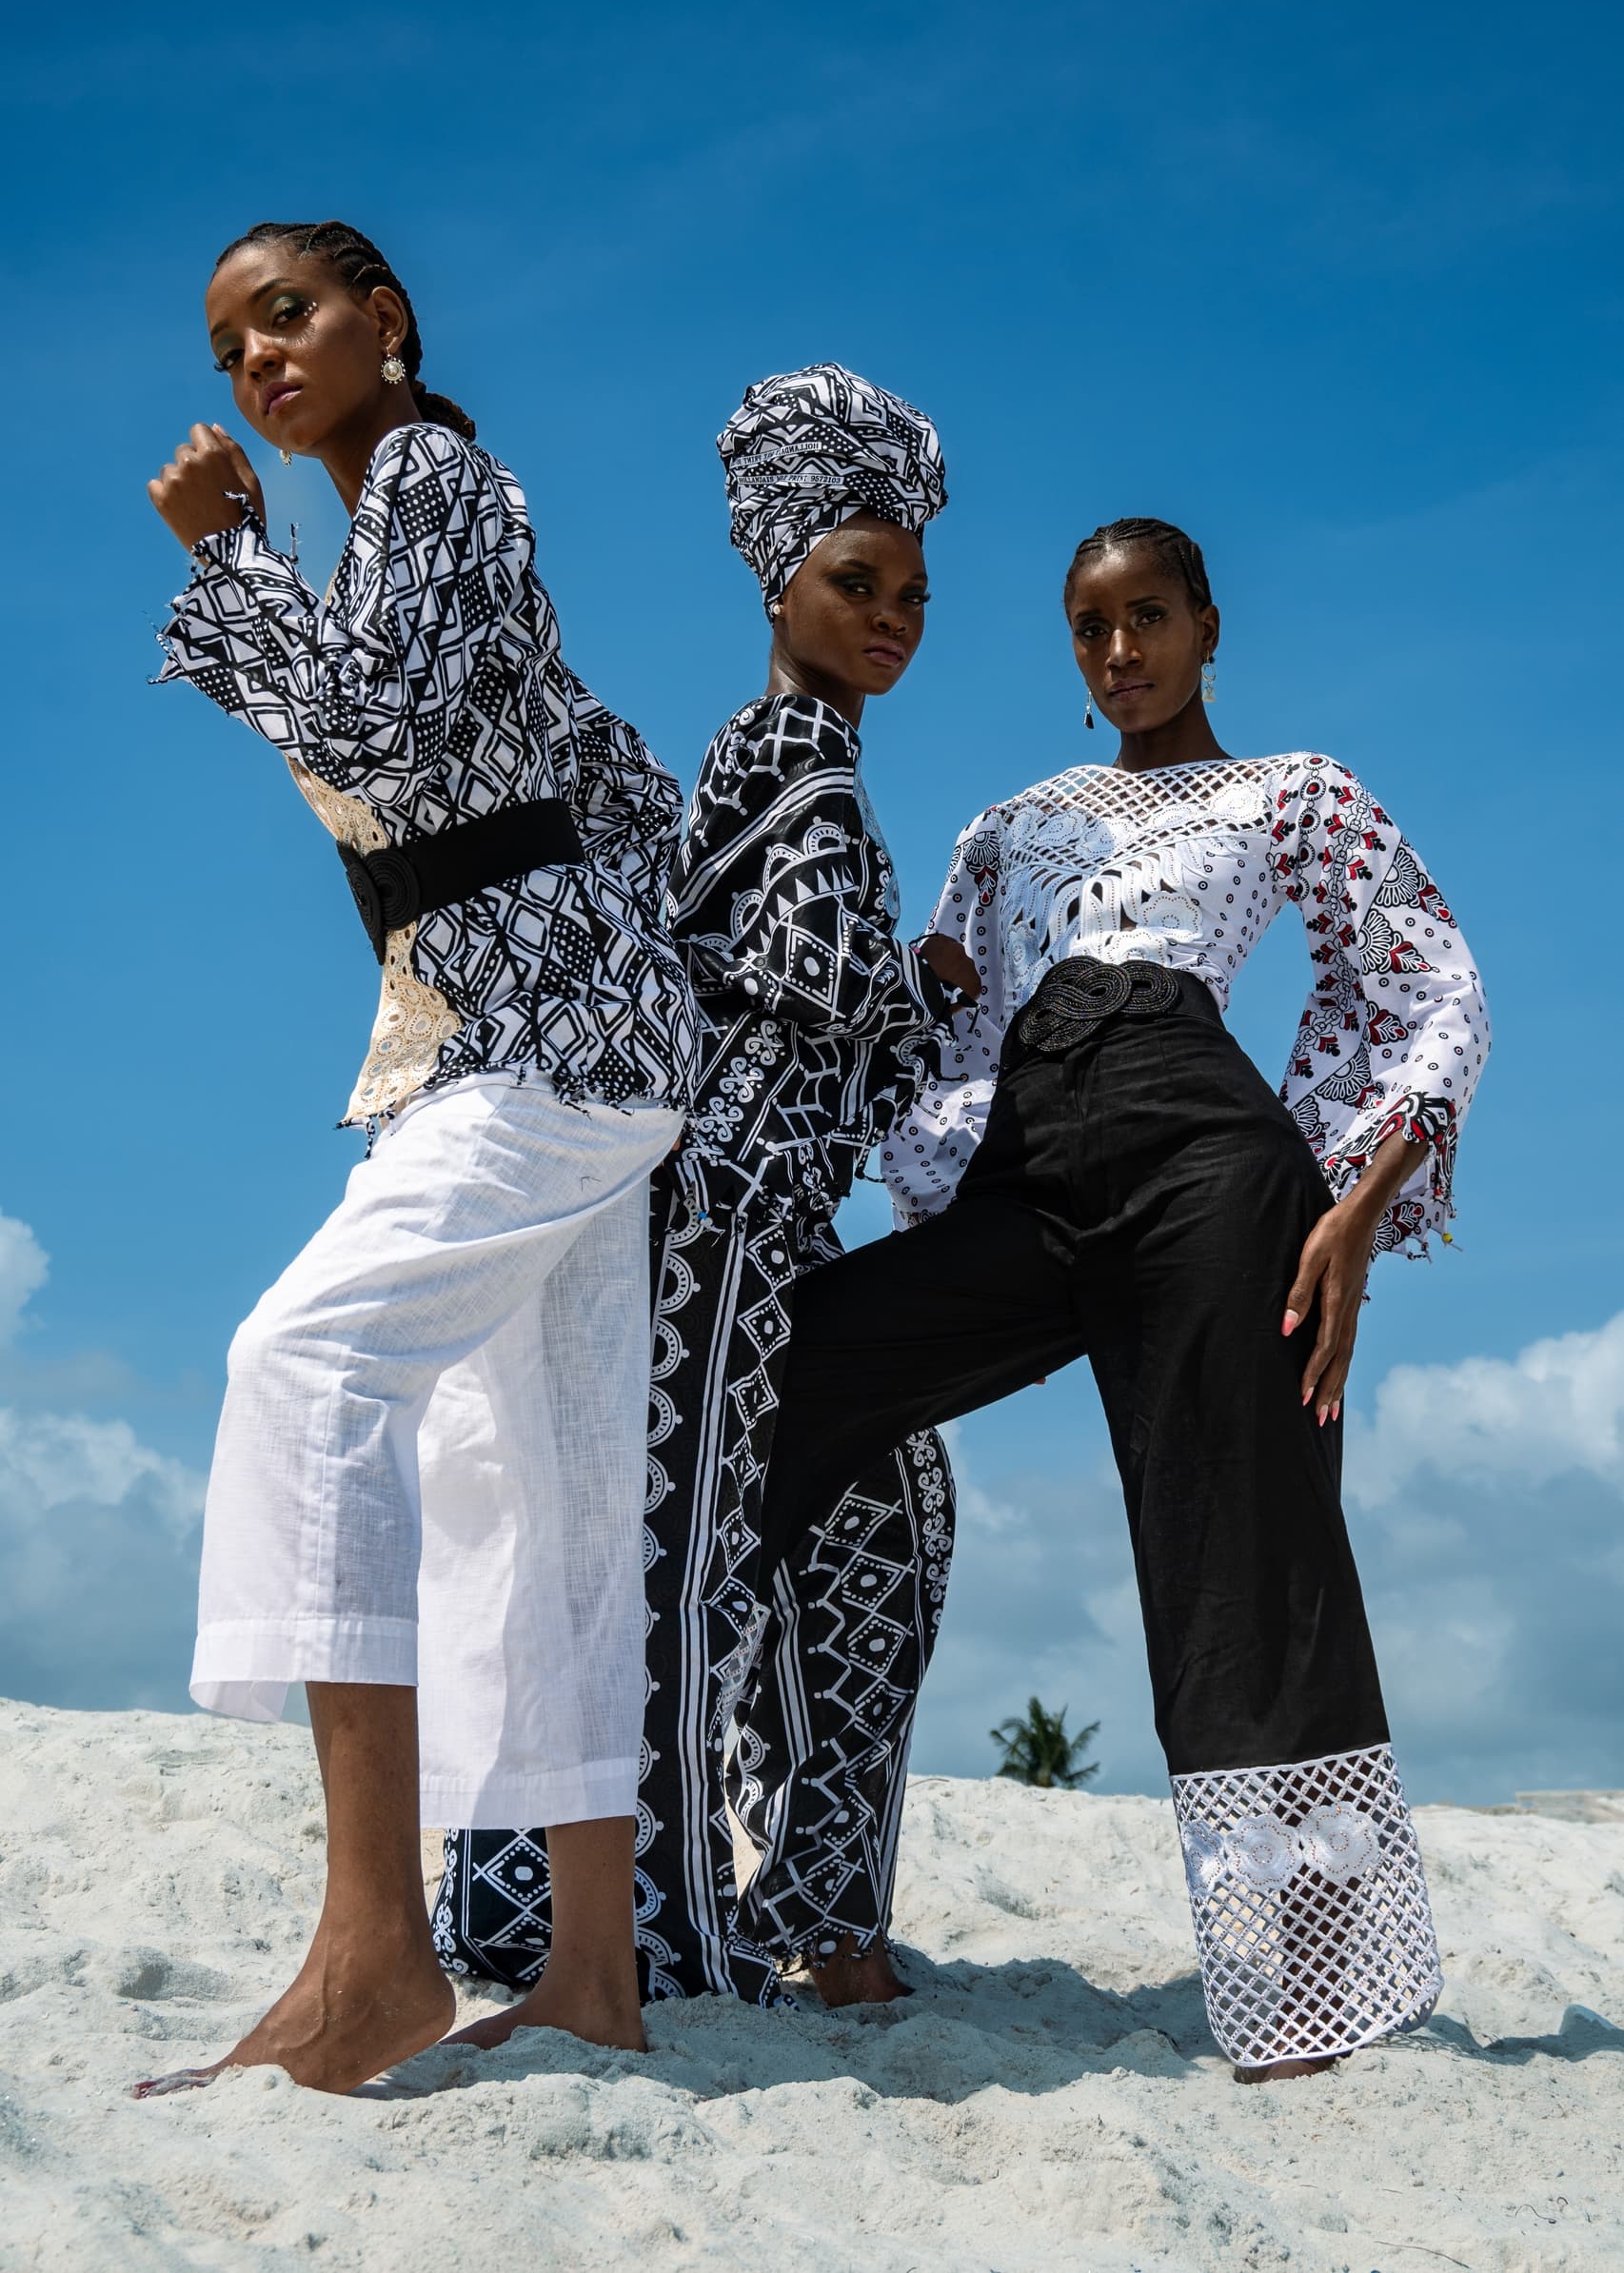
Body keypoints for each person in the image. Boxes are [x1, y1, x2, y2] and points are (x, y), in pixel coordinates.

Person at [758, 515, 1489, 2081]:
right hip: (1027, 1175)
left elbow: (1428, 978)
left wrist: (1355, 1210)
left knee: (1242, 1547)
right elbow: (942, 1030)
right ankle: (755, 1868)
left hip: (1204, 1164)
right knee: (781, 1382)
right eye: (1089, 628)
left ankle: (1304, 1992)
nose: (1119, 652)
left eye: (1147, 616)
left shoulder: (1288, 789)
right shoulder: (1013, 822)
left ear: (1206, 625)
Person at [134, 220, 698, 2096]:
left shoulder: (438, 482)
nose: (258, 362)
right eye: (230, 348)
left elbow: (379, 732)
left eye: (287, 314)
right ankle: (594, 1974)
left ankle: (375, 1948)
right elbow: (566, 765)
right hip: (558, 1030)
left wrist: (227, 558)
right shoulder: (411, 518)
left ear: (386, 317)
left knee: (305, 1366)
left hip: (551, 1042)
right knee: (546, 1488)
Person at [433, 365, 973, 2014]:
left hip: (768, 1224)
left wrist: (897, 1014)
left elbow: (794, 1006)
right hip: (712, 1222)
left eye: (910, 597)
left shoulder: (801, 756)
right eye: (854, 584)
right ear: (777, 585)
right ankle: (623, 1930)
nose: (887, 619)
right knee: (672, 1567)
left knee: (873, 1512)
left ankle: (808, 1908)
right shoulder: (784, 746)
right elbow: (811, 981)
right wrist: (925, 986)